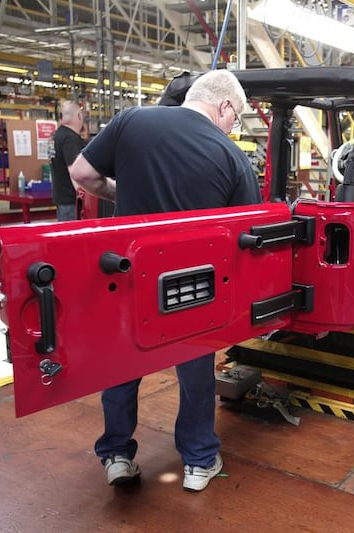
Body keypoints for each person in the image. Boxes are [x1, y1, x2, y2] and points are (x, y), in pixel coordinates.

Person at [69, 69, 261, 492]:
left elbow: (81, 175)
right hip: (193, 283)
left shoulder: (132, 120)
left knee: (122, 361)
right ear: (225, 106)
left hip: (128, 272)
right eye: (236, 118)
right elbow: (249, 232)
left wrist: (127, 197)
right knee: (195, 366)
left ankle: (117, 456)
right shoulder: (231, 156)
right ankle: (198, 461)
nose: (232, 128)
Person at [50, 101, 86, 221]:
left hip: (61, 198)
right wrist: (85, 197)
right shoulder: (70, 139)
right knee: (74, 237)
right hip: (72, 201)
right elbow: (76, 173)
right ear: (79, 117)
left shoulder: (56, 136)